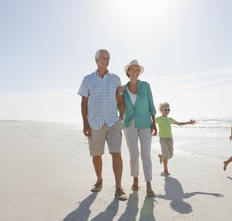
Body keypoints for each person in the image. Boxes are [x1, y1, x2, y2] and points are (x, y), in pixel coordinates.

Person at [77, 49, 127, 201]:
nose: (105, 60)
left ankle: (118, 187)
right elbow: (83, 103)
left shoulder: (116, 79)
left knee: (116, 153)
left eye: (108, 58)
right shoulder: (87, 79)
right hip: (95, 122)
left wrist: (121, 118)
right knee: (96, 154)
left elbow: (120, 101)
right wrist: (85, 124)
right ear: (96, 60)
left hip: (113, 122)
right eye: (102, 58)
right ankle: (99, 180)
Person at [121, 60, 157, 197]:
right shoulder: (123, 89)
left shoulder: (146, 86)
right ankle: (135, 178)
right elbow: (120, 107)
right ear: (128, 72)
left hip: (145, 123)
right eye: (132, 69)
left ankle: (148, 183)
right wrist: (118, 94)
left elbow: (151, 104)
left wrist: (154, 123)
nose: (135, 72)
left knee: (146, 154)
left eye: (137, 70)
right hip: (129, 123)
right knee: (134, 154)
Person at [155, 102, 196, 175]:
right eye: (165, 109)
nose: (167, 111)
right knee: (166, 155)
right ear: (161, 110)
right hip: (163, 138)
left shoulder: (170, 119)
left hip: (170, 138)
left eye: (168, 110)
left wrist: (188, 122)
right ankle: (165, 169)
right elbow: (151, 124)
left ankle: (161, 156)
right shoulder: (158, 119)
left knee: (170, 155)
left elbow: (178, 123)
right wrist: (151, 131)